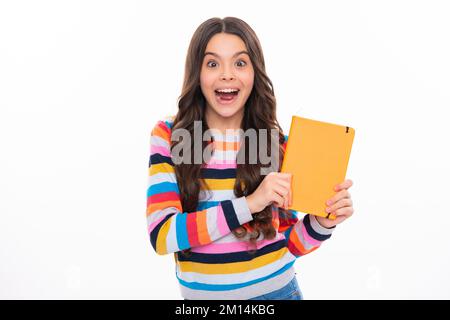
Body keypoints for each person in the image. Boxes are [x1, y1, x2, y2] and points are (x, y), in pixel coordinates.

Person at [146, 17, 354, 300]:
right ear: (197, 73)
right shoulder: (171, 136)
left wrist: (322, 223)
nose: (227, 75)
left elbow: (289, 245)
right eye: (213, 63)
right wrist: (251, 203)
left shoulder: (272, 141)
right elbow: (163, 235)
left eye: (240, 63)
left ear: (254, 73)